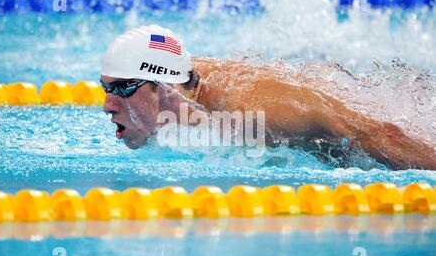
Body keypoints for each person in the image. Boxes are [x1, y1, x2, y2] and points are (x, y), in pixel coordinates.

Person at [101, 25, 436, 170]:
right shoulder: (180, 89)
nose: (107, 106)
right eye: (106, 88)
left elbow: (378, 133)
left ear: (164, 87)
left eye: (122, 89)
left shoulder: (258, 108)